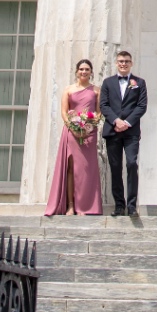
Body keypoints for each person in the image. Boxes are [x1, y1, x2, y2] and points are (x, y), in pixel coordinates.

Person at [44, 59, 103, 216]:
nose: (84, 72)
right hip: (72, 132)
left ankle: (84, 207)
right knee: (71, 168)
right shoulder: (68, 90)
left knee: (86, 170)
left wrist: (88, 126)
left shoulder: (97, 90)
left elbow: (98, 112)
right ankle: (70, 205)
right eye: (81, 69)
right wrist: (74, 128)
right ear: (77, 71)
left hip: (89, 133)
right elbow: (64, 112)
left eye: (87, 69)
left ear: (91, 72)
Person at [100, 50, 148, 216]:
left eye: (127, 61)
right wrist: (116, 121)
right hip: (113, 130)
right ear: (116, 63)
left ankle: (132, 205)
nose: (123, 63)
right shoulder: (107, 83)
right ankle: (119, 205)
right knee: (115, 167)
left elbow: (141, 106)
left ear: (131, 63)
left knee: (131, 164)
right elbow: (104, 105)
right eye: (120, 61)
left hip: (131, 132)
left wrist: (127, 123)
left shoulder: (139, 83)